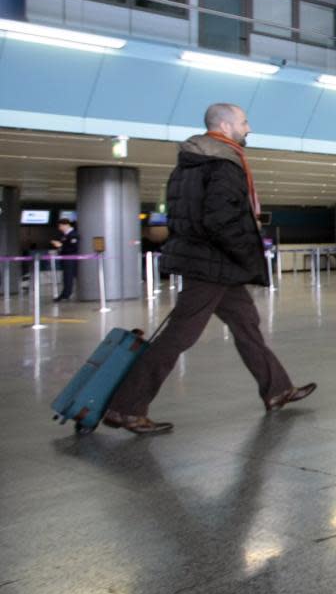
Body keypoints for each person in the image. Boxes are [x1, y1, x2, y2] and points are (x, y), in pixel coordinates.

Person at [103, 103, 315, 435]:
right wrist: (246, 254)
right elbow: (221, 219)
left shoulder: (190, 163)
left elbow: (188, 214)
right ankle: (126, 408)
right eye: (245, 122)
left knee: (247, 326)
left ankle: (277, 390)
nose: (249, 128)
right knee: (179, 336)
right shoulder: (223, 164)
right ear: (226, 125)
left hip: (212, 262)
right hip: (213, 263)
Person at [49, 217, 79, 301]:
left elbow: (73, 248)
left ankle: (66, 294)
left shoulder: (73, 235)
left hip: (71, 259)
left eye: (60, 226)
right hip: (66, 259)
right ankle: (66, 293)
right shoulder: (64, 236)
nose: (60, 228)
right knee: (66, 277)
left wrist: (61, 246)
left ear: (65, 225)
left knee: (69, 277)